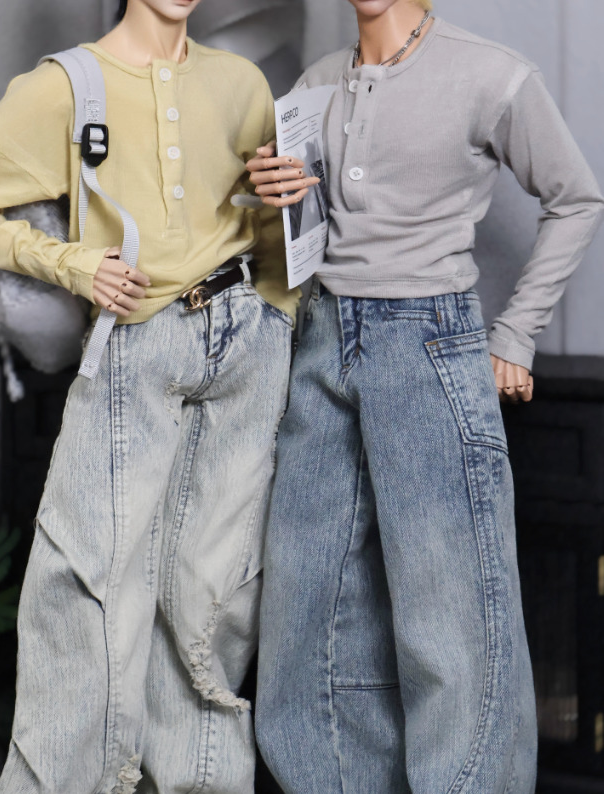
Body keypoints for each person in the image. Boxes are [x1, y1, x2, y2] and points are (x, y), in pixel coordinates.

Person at [0, 0, 299, 792]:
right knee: (85, 587)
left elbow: (271, 229)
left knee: (215, 598)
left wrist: (279, 273)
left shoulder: (241, 83)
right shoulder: (66, 84)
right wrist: (72, 264)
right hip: (141, 340)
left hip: (246, 343)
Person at [246, 1, 604, 792]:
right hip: (321, 346)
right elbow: (302, 234)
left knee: (450, 620)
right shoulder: (314, 83)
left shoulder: (490, 74)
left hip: (428, 345)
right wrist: (270, 193)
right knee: (307, 611)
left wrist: (515, 334)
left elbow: (577, 199)